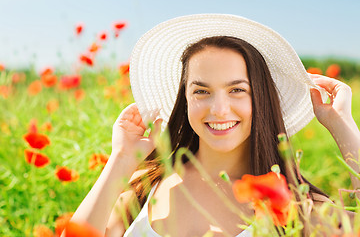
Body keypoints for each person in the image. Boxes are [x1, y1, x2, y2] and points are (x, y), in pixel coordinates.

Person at [69, 14, 360, 236]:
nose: (219, 109)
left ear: (261, 99)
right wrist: (120, 160)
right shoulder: (146, 185)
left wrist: (343, 126)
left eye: (237, 90)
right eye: (201, 91)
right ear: (184, 100)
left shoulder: (298, 205)